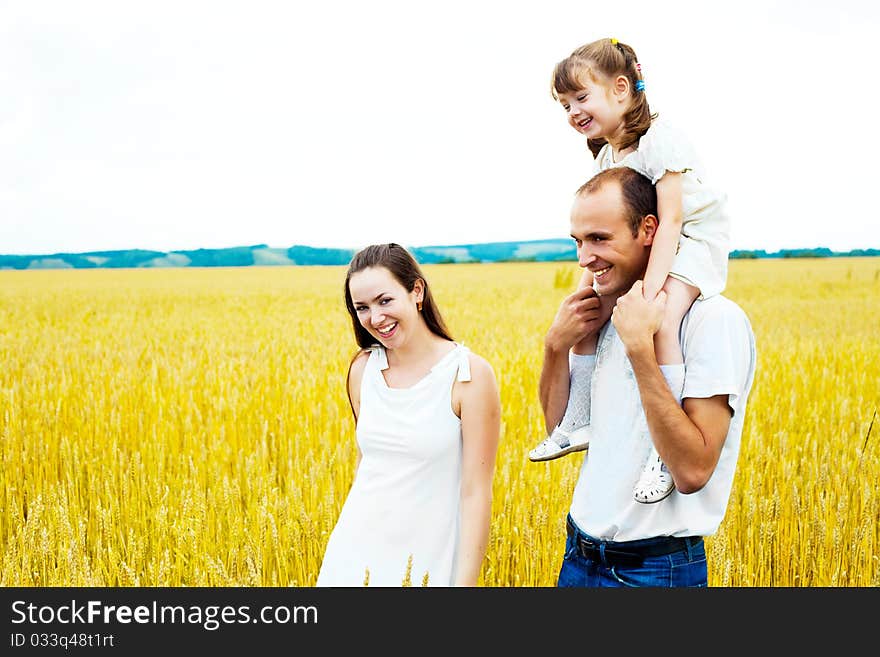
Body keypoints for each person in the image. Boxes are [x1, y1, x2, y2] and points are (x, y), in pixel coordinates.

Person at [528, 37, 731, 505]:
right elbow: (606, 229)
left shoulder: (661, 138)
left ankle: (663, 455)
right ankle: (575, 422)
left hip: (693, 243)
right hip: (662, 243)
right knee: (586, 316)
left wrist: (652, 297)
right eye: (564, 105)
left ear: (621, 88)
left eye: (581, 97)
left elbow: (672, 220)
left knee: (663, 324)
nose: (573, 112)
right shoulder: (607, 155)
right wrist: (588, 296)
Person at [541, 167, 755, 587]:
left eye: (600, 239)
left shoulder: (713, 321)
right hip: (579, 556)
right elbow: (560, 428)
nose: (585, 258)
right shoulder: (605, 310)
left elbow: (691, 470)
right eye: (578, 241)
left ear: (648, 229)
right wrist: (554, 347)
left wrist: (641, 349)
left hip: (654, 571)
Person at [316, 243, 501, 587]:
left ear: (416, 291)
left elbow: (476, 493)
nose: (375, 318)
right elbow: (366, 465)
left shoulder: (468, 374)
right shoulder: (362, 369)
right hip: (353, 557)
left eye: (385, 301)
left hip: (428, 561)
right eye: (362, 308)